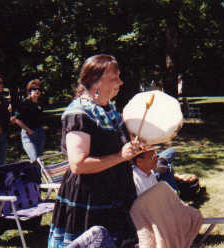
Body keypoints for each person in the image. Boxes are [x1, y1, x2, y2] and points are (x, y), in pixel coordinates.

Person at [48, 54, 143, 248]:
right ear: (95, 82)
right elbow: (78, 164)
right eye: (114, 78)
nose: (121, 82)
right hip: (91, 198)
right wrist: (120, 156)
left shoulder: (109, 109)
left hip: (117, 193)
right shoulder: (79, 113)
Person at [11, 79, 46, 163]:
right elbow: (16, 119)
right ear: (29, 91)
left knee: (40, 160)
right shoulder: (24, 103)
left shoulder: (40, 103)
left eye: (39, 89)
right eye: (34, 89)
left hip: (39, 133)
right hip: (28, 134)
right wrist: (28, 130)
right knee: (35, 159)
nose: (37, 91)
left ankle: (38, 176)